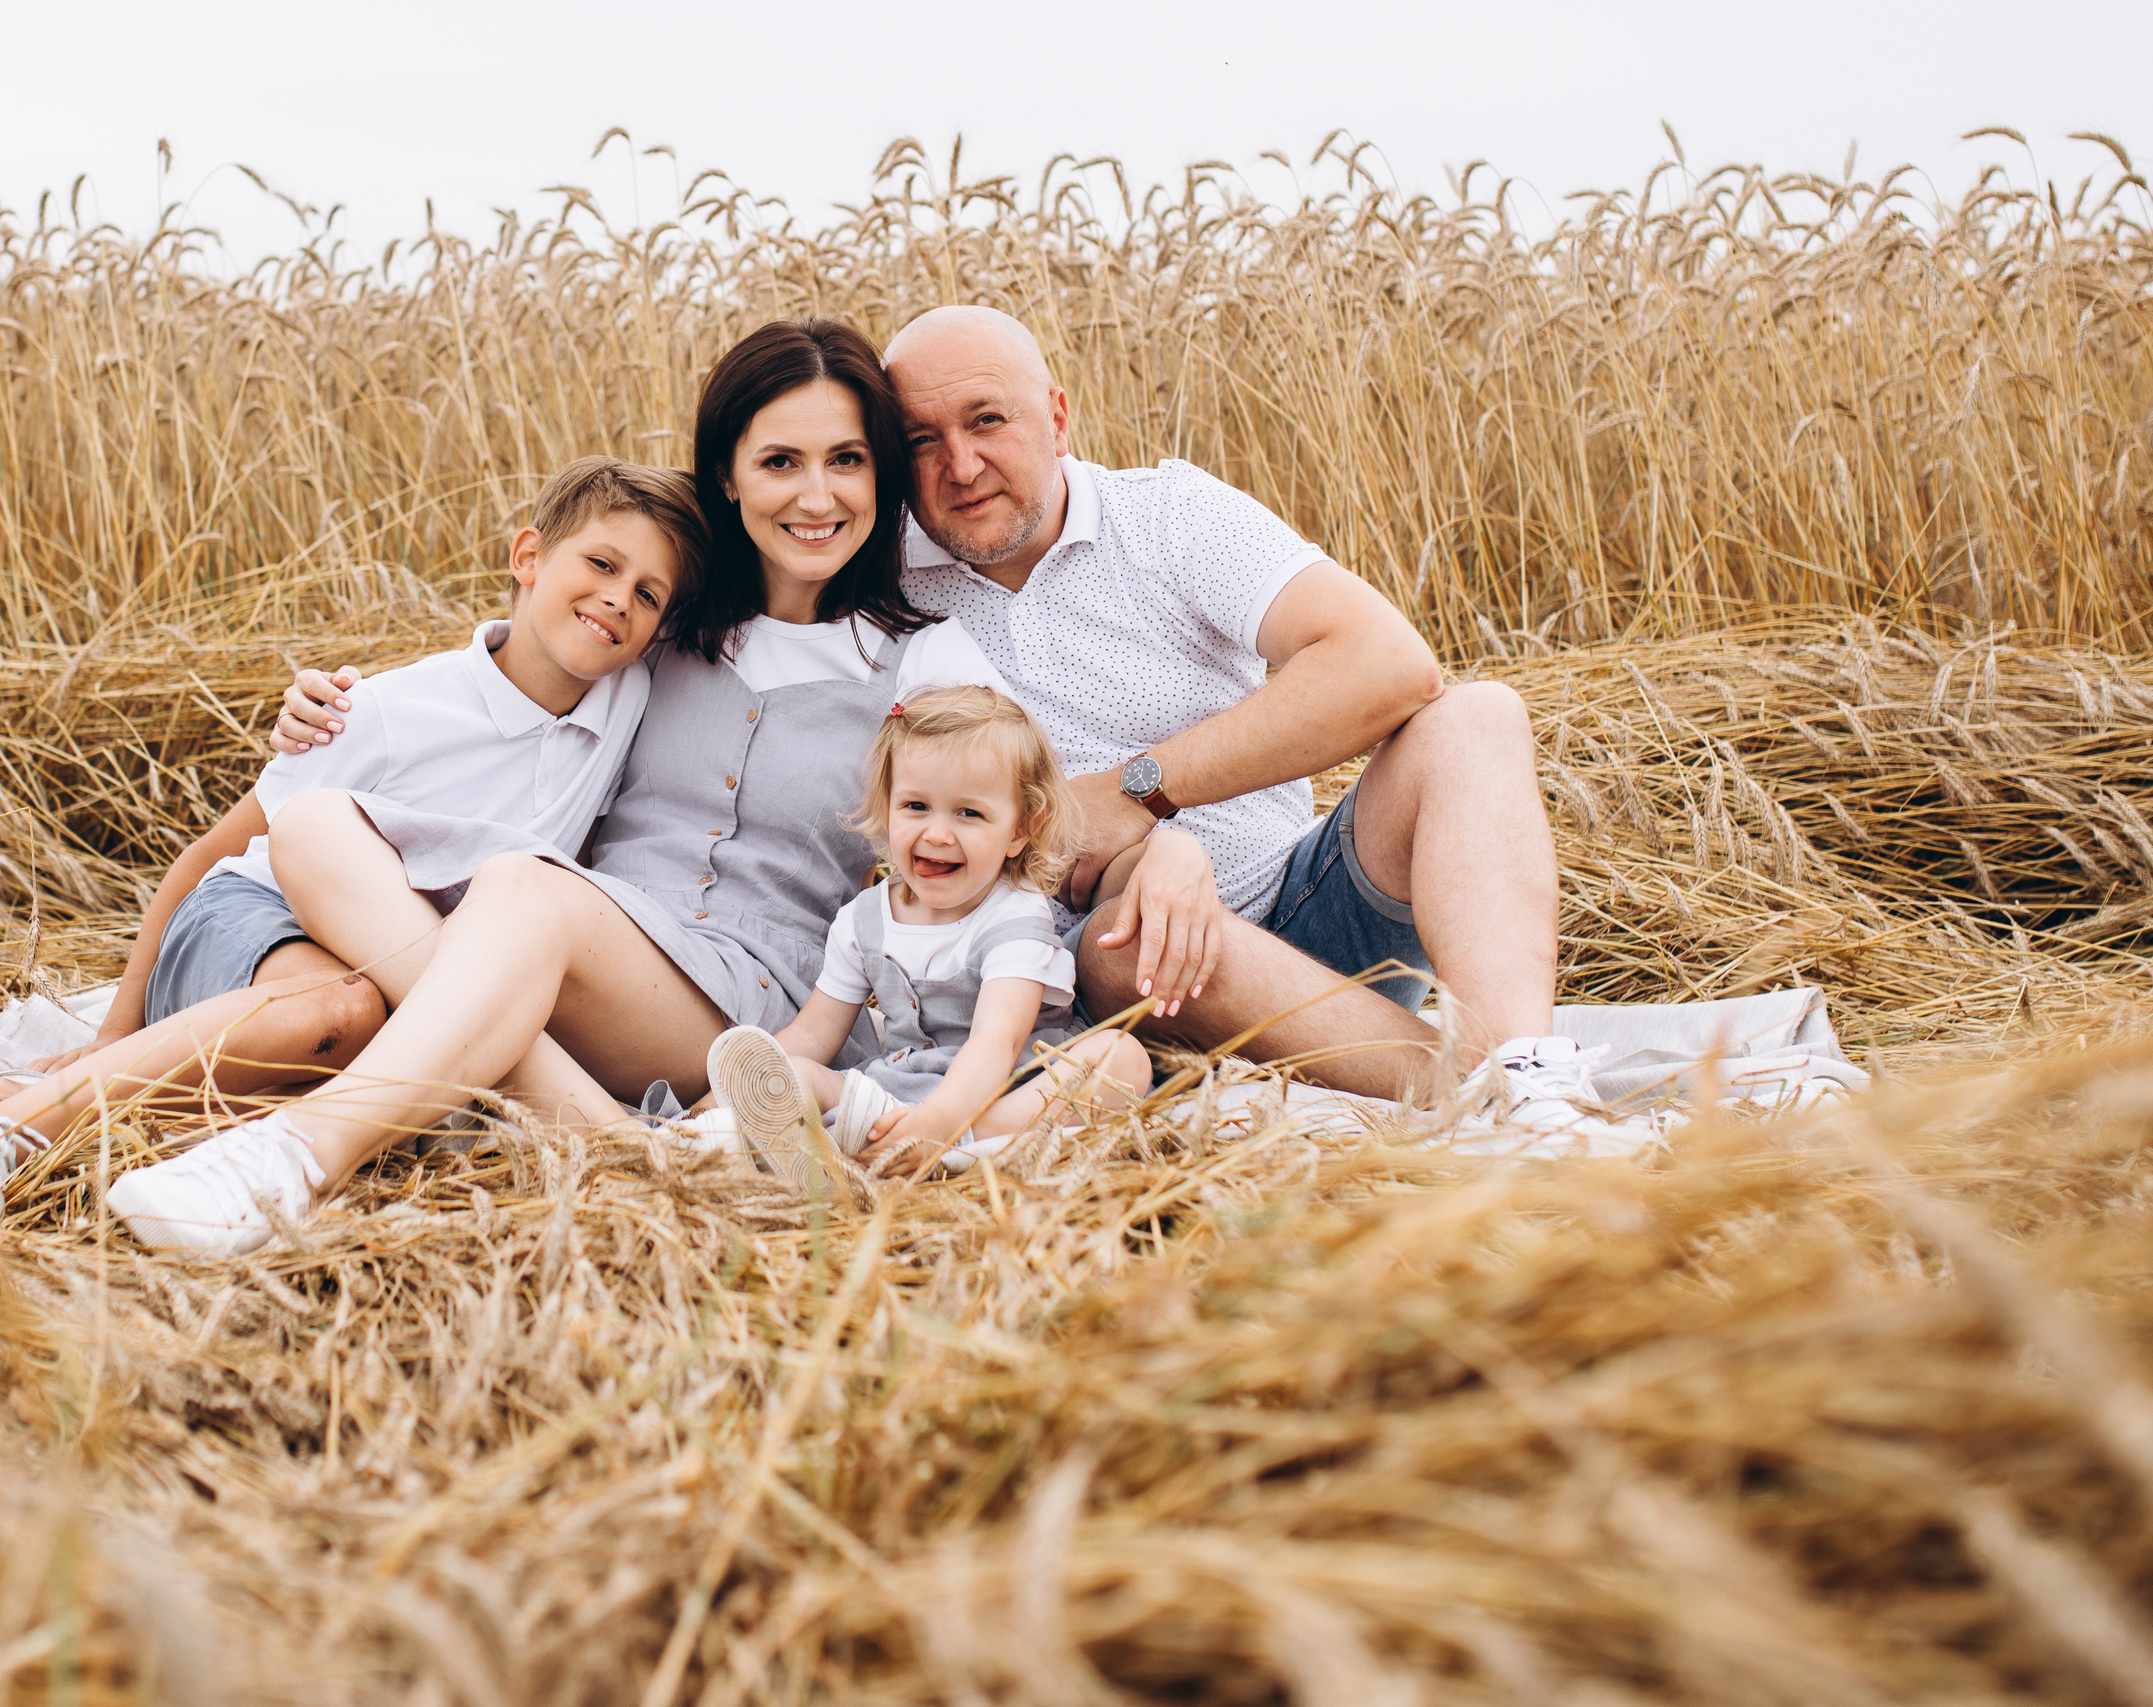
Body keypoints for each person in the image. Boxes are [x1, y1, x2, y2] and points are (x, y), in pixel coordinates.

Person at [277, 309, 1636, 1143]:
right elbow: (592, 617)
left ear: (1058, 416)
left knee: (1477, 714)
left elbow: (1387, 665)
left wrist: (1149, 801)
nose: (959, 464)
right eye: (919, 440)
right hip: (1131, 939)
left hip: (1295, 885)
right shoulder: (889, 577)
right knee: (1140, 936)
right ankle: (1465, 1091)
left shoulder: (1169, 518)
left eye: (988, 422)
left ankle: (1522, 1063)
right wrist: (356, 706)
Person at [103, 318, 1208, 1255]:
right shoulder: (661, 625)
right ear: (727, 475)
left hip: (747, 997)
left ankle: (295, 1159)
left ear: (880, 476)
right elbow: (505, 682)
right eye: (780, 462)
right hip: (574, 949)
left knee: (520, 888)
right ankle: (617, 1144)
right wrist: (334, 708)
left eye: (846, 461)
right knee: (315, 825)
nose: (815, 495)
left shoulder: (920, 661)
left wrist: (1170, 842)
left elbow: (1022, 820)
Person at [0, 456, 706, 1217]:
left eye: (647, 595)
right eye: (600, 563)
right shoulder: (387, 710)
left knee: (405, 1079)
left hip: (397, 960)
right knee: (345, 1012)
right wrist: (116, 1028)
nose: (616, 599)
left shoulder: (628, 702)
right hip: (255, 913)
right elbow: (211, 854)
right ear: (528, 557)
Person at [706, 685, 1152, 1189]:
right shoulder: (863, 920)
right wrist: (717, 1096)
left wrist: (939, 1122)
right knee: (796, 1074)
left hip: (1007, 1090)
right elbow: (813, 1034)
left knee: (1122, 1059)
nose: (937, 834)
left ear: (1019, 831)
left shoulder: (1015, 916)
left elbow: (997, 1040)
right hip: (896, 1092)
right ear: (887, 808)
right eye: (916, 805)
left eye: (969, 813)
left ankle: (956, 1148)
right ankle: (715, 1137)